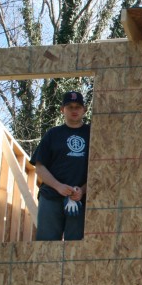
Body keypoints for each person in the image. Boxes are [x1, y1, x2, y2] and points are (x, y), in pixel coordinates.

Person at [30, 91, 91, 240]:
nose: (74, 110)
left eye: (78, 106)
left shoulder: (93, 133)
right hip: (51, 197)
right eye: (70, 106)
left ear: (84, 110)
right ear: (62, 110)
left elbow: (101, 168)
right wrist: (58, 186)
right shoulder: (53, 134)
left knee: (76, 247)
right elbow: (39, 167)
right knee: (46, 244)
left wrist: (82, 190)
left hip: (80, 200)